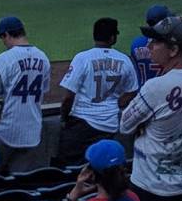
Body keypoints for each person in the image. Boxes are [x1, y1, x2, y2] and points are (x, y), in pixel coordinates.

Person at [118, 17, 182, 201]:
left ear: (174, 50)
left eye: (156, 41)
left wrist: (146, 124)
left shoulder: (155, 87)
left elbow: (125, 125)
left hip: (150, 187)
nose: (149, 45)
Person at [58, 17, 137, 163]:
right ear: (112, 37)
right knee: (102, 168)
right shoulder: (125, 60)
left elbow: (69, 97)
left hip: (81, 123)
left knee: (67, 166)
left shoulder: (82, 58)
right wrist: (116, 103)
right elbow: (132, 91)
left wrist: (64, 117)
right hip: (109, 125)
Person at [0, 17, 52, 173]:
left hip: (5, 131)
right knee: (19, 184)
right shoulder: (43, 57)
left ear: (6, 35)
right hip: (32, 131)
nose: (3, 42)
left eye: (2, 38)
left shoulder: (5, 59)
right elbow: (43, 91)